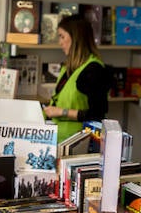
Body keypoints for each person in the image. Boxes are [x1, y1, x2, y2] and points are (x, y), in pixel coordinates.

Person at [42, 14, 109, 143]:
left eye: (62, 36)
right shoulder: (68, 67)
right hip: (57, 139)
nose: (60, 42)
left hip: (77, 143)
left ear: (76, 38)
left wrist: (62, 112)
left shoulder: (93, 70)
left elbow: (97, 114)